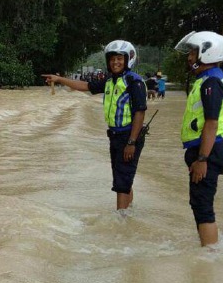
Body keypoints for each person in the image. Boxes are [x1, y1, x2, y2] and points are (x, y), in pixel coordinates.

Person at [42, 40, 147, 211]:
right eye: (112, 59)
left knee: (121, 182)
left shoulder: (134, 82)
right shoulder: (109, 81)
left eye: (120, 58)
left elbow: (140, 113)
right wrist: (60, 79)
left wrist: (132, 142)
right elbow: (85, 86)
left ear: (128, 59)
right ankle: (129, 213)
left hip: (129, 136)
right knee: (123, 178)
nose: (115, 62)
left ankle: (120, 221)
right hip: (115, 136)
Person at [174, 31, 223, 247]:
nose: (189, 57)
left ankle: (209, 257)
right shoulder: (207, 80)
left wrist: (202, 159)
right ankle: (206, 249)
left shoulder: (211, 83)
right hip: (205, 150)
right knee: (199, 203)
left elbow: (211, 123)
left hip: (207, 152)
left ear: (207, 53)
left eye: (193, 52)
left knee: (203, 205)